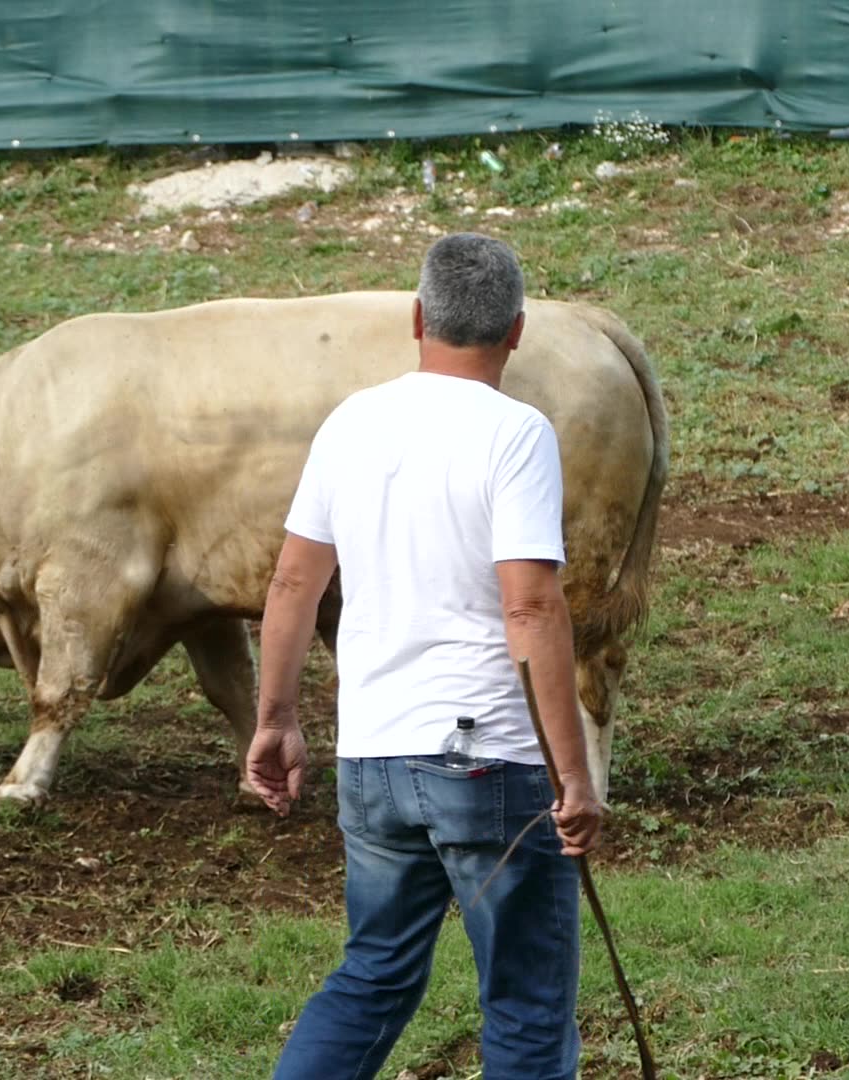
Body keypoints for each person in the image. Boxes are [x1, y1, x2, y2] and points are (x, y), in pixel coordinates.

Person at [248, 232, 605, 1079]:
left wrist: (276, 721)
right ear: (516, 331)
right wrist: (573, 773)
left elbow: (293, 585)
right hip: (492, 765)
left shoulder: (352, 422)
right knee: (523, 1002)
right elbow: (529, 603)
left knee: (371, 975)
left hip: (374, 758)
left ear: (418, 318)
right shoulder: (517, 435)